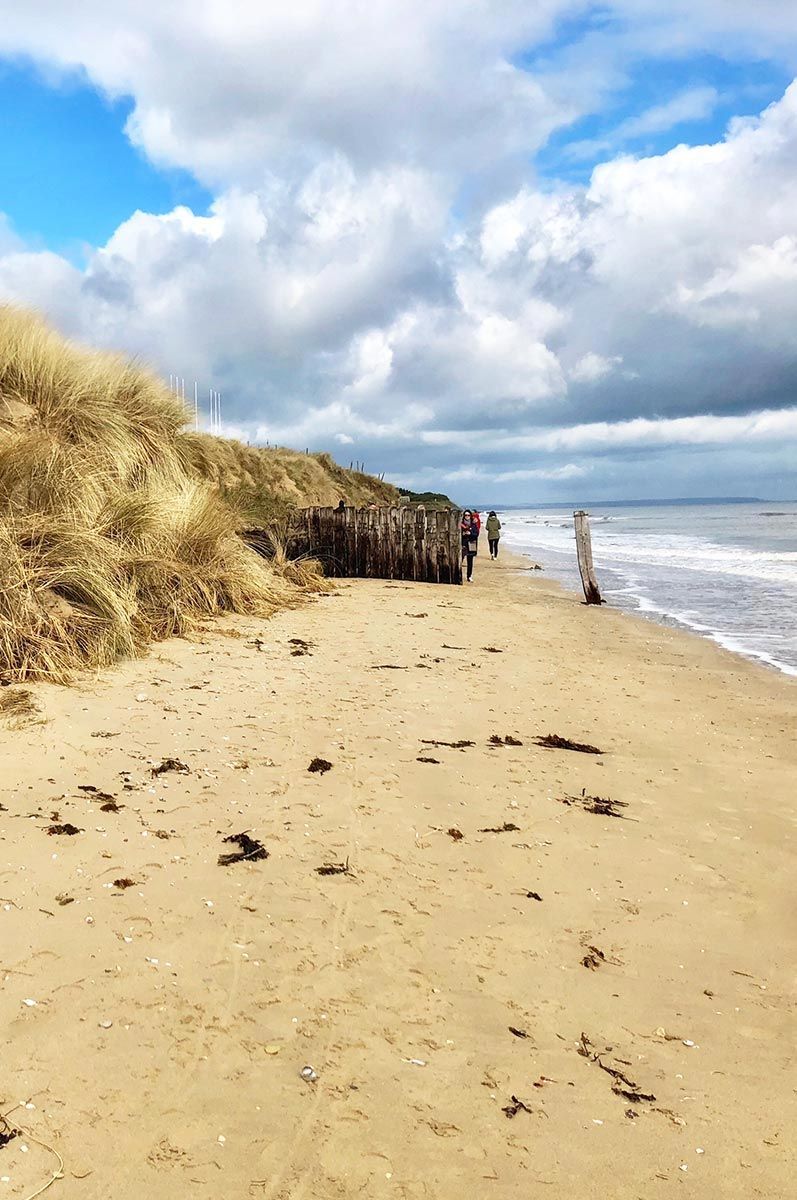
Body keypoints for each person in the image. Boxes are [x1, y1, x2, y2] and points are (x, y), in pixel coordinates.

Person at [460, 509, 478, 583]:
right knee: (460, 560)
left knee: (470, 562)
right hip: (463, 543)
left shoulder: (473, 524)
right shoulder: (460, 524)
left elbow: (476, 534)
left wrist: (470, 534)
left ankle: (469, 576)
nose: (467, 516)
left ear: (470, 516)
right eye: (465, 515)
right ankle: (459, 574)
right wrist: (463, 534)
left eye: (468, 515)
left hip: (471, 543)